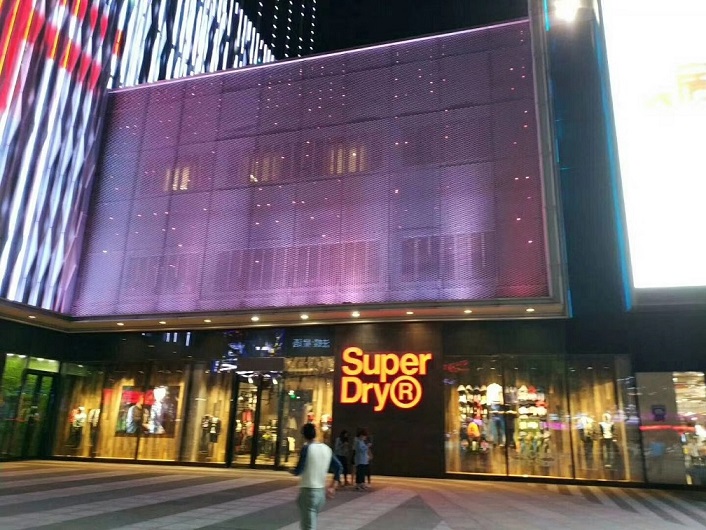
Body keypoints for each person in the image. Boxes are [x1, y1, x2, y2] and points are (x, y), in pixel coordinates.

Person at [291, 423, 342, 530]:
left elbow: (298, 470)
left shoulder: (307, 448)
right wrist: (333, 486)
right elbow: (338, 467)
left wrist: (291, 470)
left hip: (308, 491)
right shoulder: (326, 449)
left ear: (304, 435)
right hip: (320, 493)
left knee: (308, 526)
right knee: (309, 523)